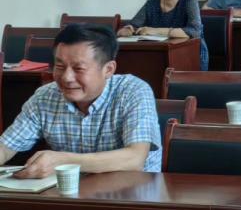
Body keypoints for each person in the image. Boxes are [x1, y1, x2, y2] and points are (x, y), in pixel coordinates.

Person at [0, 24, 162, 177]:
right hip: (71, 192)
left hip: (131, 192)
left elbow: (135, 159)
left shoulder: (133, 91)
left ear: (108, 69)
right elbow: (6, 147)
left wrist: (63, 161)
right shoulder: (44, 97)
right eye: (60, 66)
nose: (67, 78)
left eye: (79, 69)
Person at [119, 0, 208, 70]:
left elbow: (194, 31)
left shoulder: (189, 3)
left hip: (190, 54)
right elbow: (133, 24)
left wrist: (155, 31)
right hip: (160, 54)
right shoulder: (151, 4)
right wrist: (127, 30)